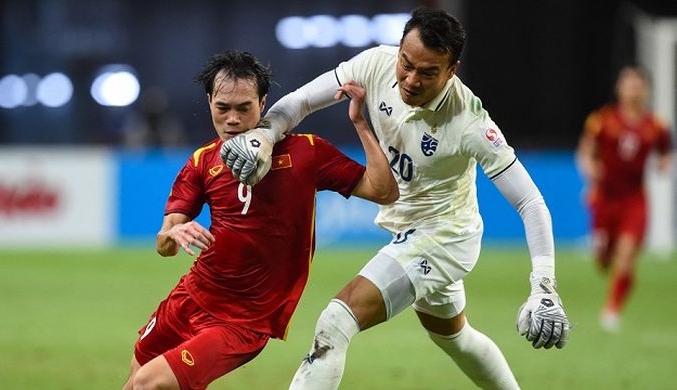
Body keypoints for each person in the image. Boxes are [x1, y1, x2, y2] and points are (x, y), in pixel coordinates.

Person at [220, 7, 571, 389]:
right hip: (409, 229)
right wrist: (265, 135)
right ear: (400, 48)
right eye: (407, 63)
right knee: (456, 338)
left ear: (452, 71)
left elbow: (531, 203)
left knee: (337, 321)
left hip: (443, 236)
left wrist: (544, 286)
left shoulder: (471, 123)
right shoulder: (377, 64)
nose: (410, 79)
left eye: (428, 72)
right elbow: (302, 101)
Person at [122, 50, 398, 390]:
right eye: (223, 108)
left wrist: (360, 123)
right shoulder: (201, 162)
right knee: (134, 384)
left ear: (263, 103)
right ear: (209, 102)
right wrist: (175, 231)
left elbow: (384, 191)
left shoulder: (307, 153)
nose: (233, 120)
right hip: (189, 298)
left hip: (242, 320)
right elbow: (163, 244)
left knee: (150, 383)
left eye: (244, 108)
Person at [576, 66, 672, 332]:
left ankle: (612, 309)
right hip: (604, 198)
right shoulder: (602, 120)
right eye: (628, 83)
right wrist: (590, 168)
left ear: (645, 90)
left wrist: (664, 163)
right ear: (619, 88)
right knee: (603, 259)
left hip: (635, 199)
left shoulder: (656, 125)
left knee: (627, 254)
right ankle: (602, 252)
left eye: (637, 84)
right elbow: (586, 152)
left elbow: (665, 151)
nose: (632, 89)